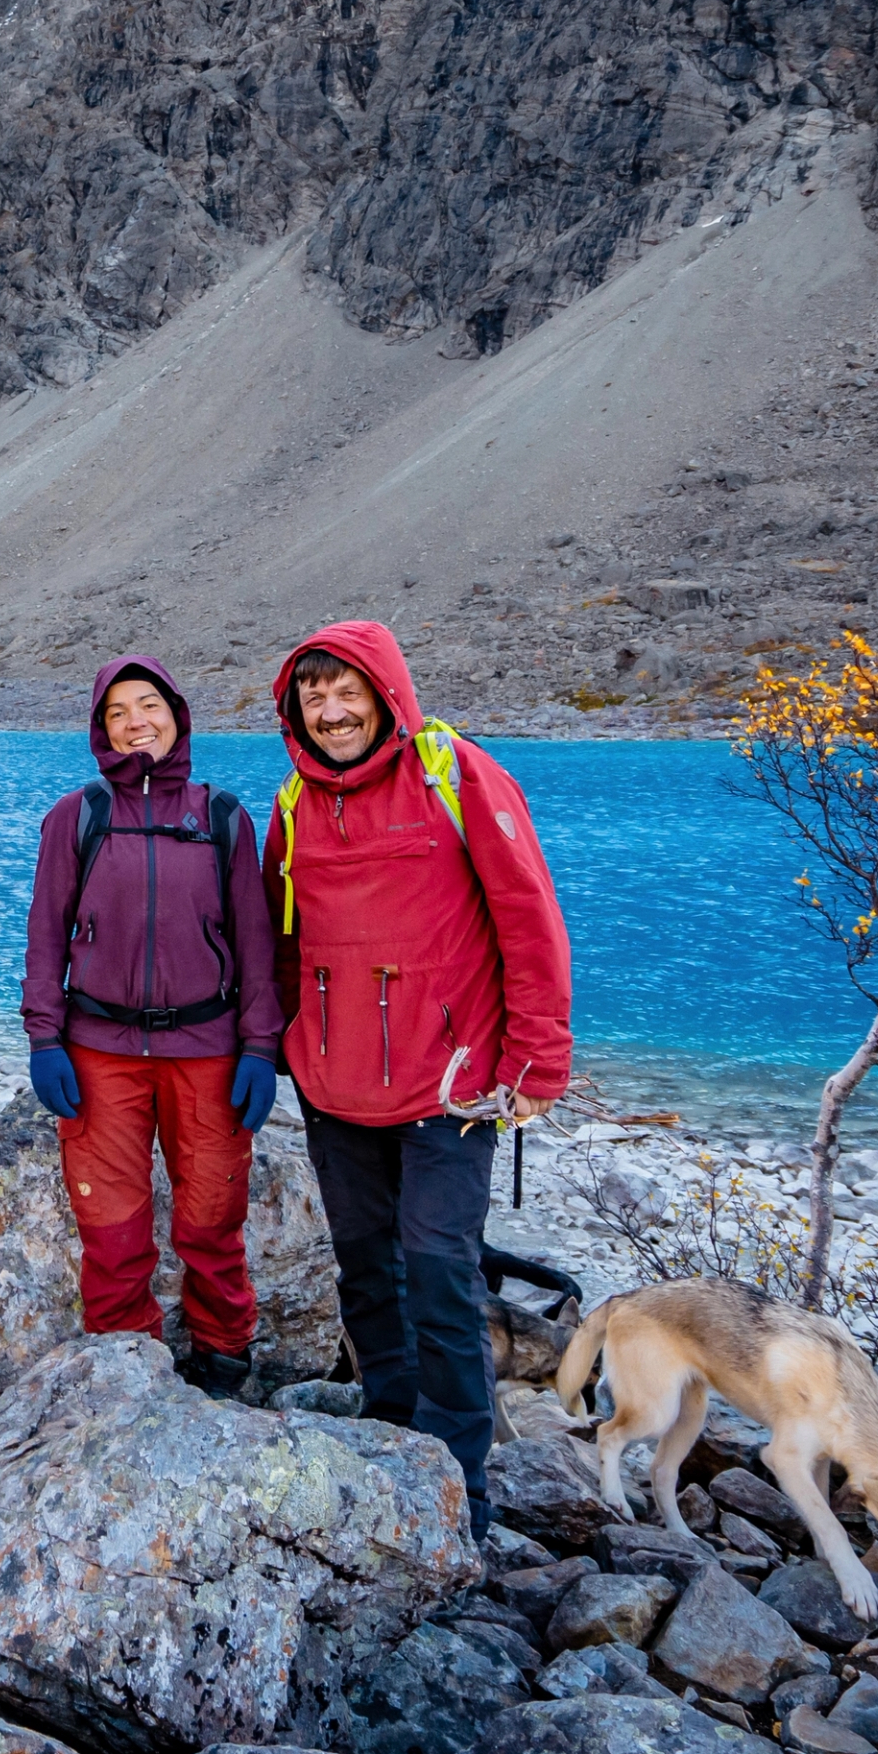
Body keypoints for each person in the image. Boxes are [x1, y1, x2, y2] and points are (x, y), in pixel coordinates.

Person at [262, 621, 574, 1536]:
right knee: (366, 1271)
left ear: (386, 692)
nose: (331, 712)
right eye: (313, 697)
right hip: (335, 1089)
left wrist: (537, 1059)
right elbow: (286, 946)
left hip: (453, 1090)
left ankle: (456, 1483)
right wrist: (286, 1045)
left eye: (346, 691)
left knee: (440, 1270)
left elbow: (531, 921)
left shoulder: (457, 777)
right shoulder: (293, 805)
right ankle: (393, 1430)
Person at [19, 656, 285, 1400]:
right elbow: (45, 936)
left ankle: (224, 1357)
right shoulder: (77, 817)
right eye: (117, 712)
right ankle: (124, 1360)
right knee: (112, 1226)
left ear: (177, 713)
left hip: (206, 1050)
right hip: (100, 1049)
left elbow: (257, 945)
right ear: (100, 729)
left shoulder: (223, 816)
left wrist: (260, 1048)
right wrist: (45, 1038)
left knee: (211, 1216)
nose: (137, 721)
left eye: (149, 705)